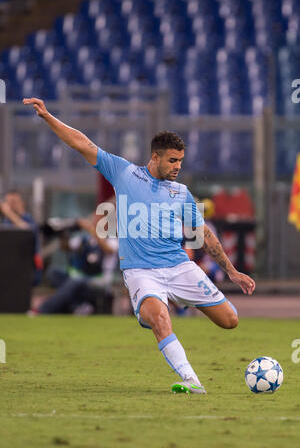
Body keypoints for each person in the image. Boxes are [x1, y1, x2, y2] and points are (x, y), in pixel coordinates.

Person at [23, 97, 256, 395]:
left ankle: (163, 306)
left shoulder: (181, 193)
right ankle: (190, 379)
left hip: (179, 267)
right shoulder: (124, 173)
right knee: (160, 318)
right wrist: (48, 116)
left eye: (181, 162)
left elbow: (205, 235)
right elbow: (82, 143)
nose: (177, 167)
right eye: (172, 161)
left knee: (230, 320)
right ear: (155, 157)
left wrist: (232, 271)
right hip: (141, 272)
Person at [28, 214, 118, 316]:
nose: (95, 222)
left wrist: (90, 229)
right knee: (53, 273)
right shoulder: (86, 239)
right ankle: (77, 306)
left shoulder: (112, 239)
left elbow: (109, 249)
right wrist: (62, 232)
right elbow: (66, 247)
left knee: (75, 281)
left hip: (99, 282)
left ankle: (42, 310)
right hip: (81, 279)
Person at [0, 189, 43, 285]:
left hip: (28, 267)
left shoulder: (28, 219)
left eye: (13, 202)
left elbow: (27, 231)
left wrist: (8, 213)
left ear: (22, 203)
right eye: (8, 202)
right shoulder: (7, 221)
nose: (10, 206)